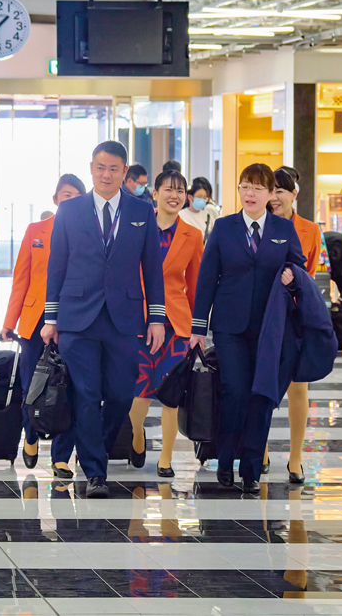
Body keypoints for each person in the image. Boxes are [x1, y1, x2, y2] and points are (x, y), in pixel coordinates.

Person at [42, 141, 166, 499]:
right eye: (100, 167)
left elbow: (152, 269)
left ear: (124, 172)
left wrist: (156, 318)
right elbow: (57, 265)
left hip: (124, 317)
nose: (106, 174)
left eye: (114, 169)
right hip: (77, 316)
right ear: (91, 168)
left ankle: (91, 442)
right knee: (85, 393)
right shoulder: (70, 210)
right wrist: (51, 318)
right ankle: (95, 472)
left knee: (120, 394)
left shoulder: (142, 211)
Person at [190, 164, 306, 494]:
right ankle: (225, 460)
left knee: (262, 396)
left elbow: (299, 271)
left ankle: (252, 470)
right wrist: (199, 327)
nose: (250, 193)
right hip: (230, 327)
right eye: (245, 187)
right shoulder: (224, 228)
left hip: (271, 328)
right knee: (235, 391)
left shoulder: (283, 229)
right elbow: (207, 278)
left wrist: (292, 276)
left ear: (272, 194)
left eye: (258, 188)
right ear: (239, 191)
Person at [0, 173, 87, 479]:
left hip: (75, 320)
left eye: (76, 196)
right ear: (55, 199)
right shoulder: (35, 231)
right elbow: (21, 278)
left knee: (72, 388)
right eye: (65, 195)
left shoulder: (90, 234)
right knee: (31, 385)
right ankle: (31, 434)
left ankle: (62, 457)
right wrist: (9, 322)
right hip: (34, 321)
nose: (70, 200)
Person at [129, 168, 203, 478]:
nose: (174, 195)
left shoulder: (193, 235)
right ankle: (136, 435)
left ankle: (167, 459)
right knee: (140, 391)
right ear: (155, 193)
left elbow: (196, 284)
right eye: (167, 189)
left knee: (172, 394)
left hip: (177, 324)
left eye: (180, 190)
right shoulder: (136, 229)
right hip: (140, 321)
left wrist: (199, 329)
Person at [266, 166, 323, 484]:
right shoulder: (256, 224)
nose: (274, 197)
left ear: (293, 194)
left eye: (280, 191)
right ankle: (259, 451)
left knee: (298, 388)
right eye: (269, 190)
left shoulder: (310, 230)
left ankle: (296, 458)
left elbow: (309, 275)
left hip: (296, 316)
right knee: (259, 385)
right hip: (262, 315)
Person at [179, 176, 220, 242]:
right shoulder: (180, 216)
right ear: (190, 197)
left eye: (204, 197)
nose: (202, 200)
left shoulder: (208, 217)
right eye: (199, 196)